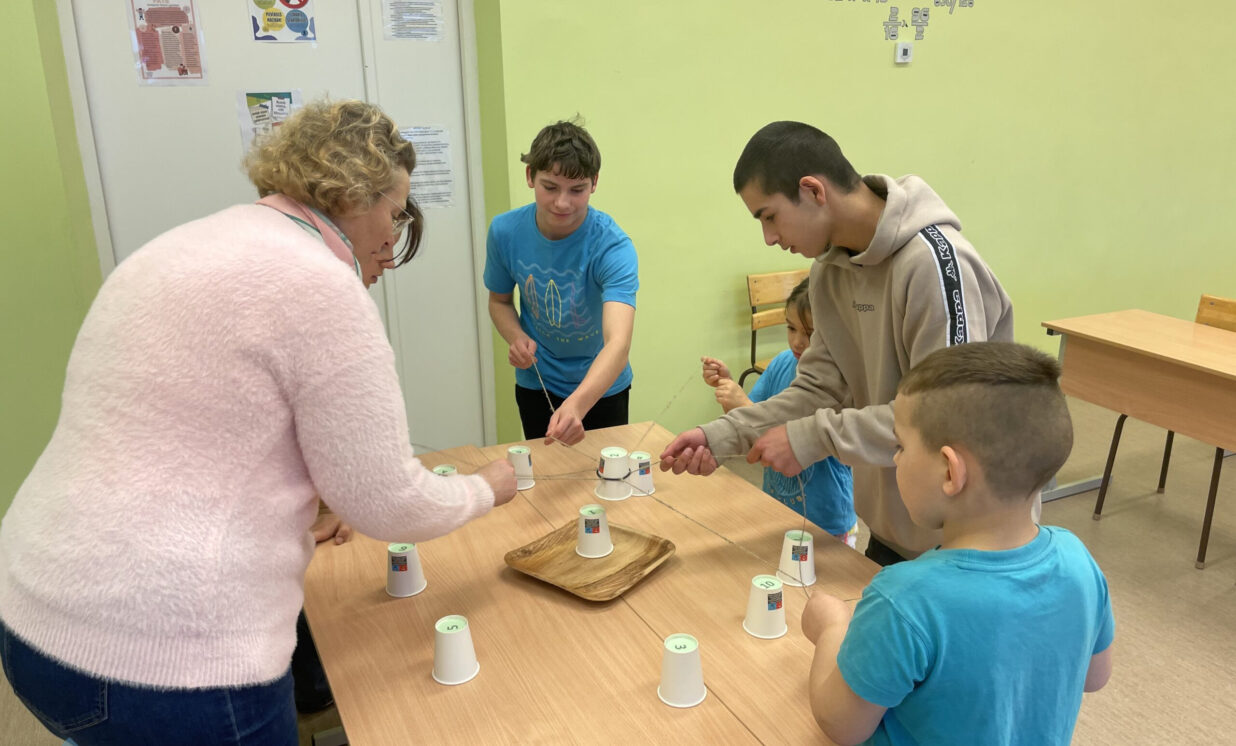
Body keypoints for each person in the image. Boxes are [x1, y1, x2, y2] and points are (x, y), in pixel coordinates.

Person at [0, 99, 517, 745]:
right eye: (396, 211)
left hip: (31, 615)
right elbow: (388, 502)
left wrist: (309, 502)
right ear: (353, 194)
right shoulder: (318, 283)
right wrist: (486, 487)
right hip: (167, 657)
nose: (393, 237)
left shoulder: (182, 244)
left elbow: (198, 427)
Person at [661, 120, 1014, 565]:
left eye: (769, 216)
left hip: (968, 540)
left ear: (813, 190)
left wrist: (810, 437)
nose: (769, 238)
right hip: (893, 528)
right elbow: (818, 389)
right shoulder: (828, 272)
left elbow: (943, 419)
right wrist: (719, 436)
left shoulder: (936, 264)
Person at [799, 341, 1114, 745]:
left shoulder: (904, 599)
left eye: (900, 446)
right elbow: (1095, 677)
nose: (895, 460)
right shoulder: (1078, 560)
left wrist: (831, 628)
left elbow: (840, 724)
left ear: (950, 471)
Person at [484, 119, 638, 446]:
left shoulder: (613, 246)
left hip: (602, 387)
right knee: (547, 472)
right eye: (550, 187)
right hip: (537, 384)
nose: (562, 203)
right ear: (530, 176)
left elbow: (618, 344)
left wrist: (577, 405)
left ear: (594, 183)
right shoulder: (504, 232)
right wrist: (516, 338)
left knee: (604, 473)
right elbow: (499, 301)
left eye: (577, 190)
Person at [701, 279, 857, 545]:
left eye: (809, 333)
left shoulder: (837, 382)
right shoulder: (782, 363)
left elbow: (789, 436)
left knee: (820, 571)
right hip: (776, 509)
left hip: (826, 522)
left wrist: (742, 403)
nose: (797, 341)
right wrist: (728, 387)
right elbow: (750, 424)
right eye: (791, 328)